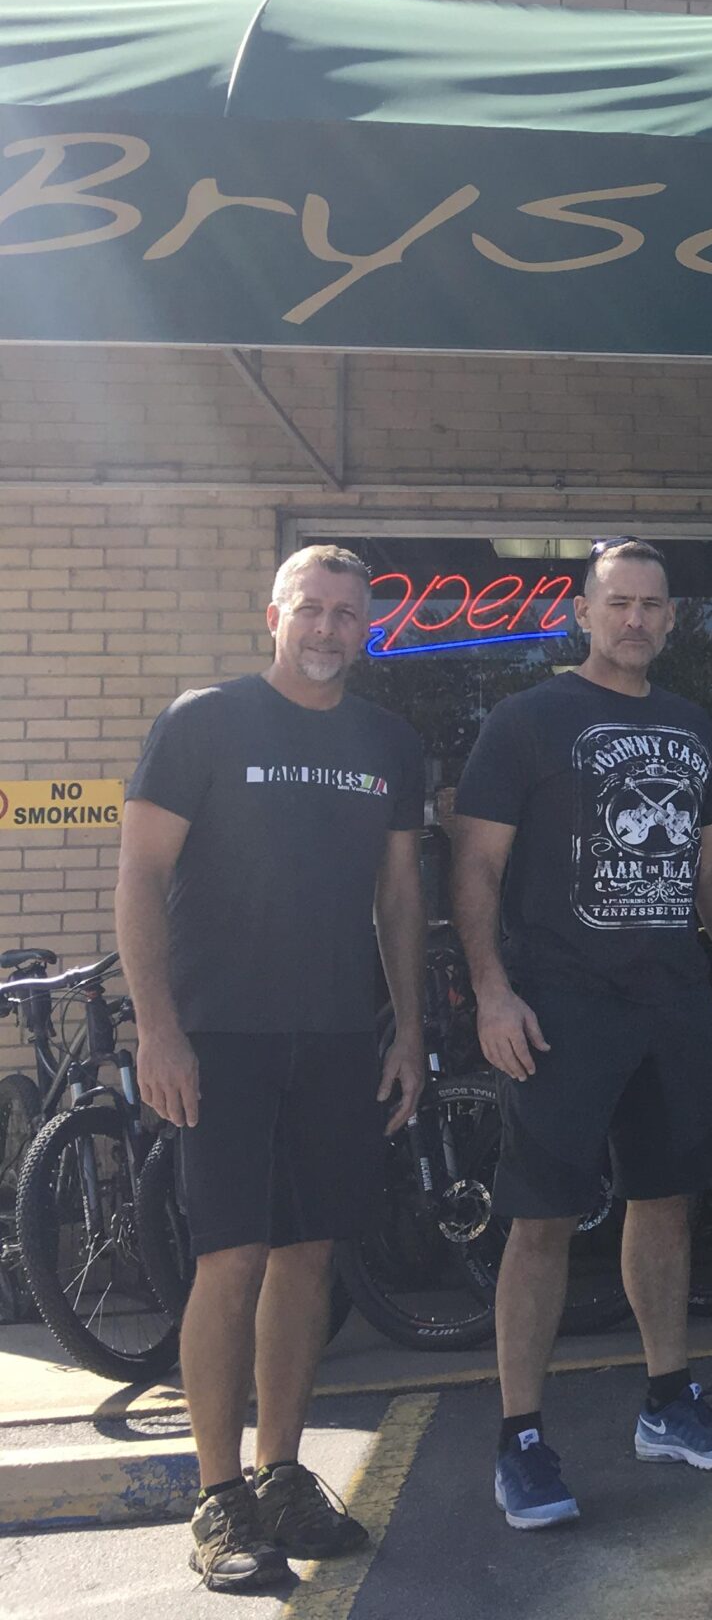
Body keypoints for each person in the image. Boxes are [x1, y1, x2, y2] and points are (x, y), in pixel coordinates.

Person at [119, 546, 426, 1594]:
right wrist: (158, 1030)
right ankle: (219, 1499)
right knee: (232, 1257)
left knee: (307, 1255)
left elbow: (398, 898)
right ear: (274, 617)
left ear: (366, 629)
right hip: (222, 1040)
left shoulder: (386, 741)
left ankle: (283, 1476)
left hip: (335, 1037)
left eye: (348, 614)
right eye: (312, 610)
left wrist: (409, 1031)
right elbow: (139, 876)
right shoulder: (204, 722)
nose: (329, 629)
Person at [452, 538, 712, 1532]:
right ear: (583, 613)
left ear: (671, 619)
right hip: (560, 1004)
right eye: (617, 602)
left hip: (671, 1002)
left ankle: (667, 1401)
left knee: (665, 1201)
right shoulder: (526, 720)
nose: (635, 618)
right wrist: (492, 993)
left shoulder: (689, 722)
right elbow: (475, 867)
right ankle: (521, 1440)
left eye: (651, 605)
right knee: (542, 1216)